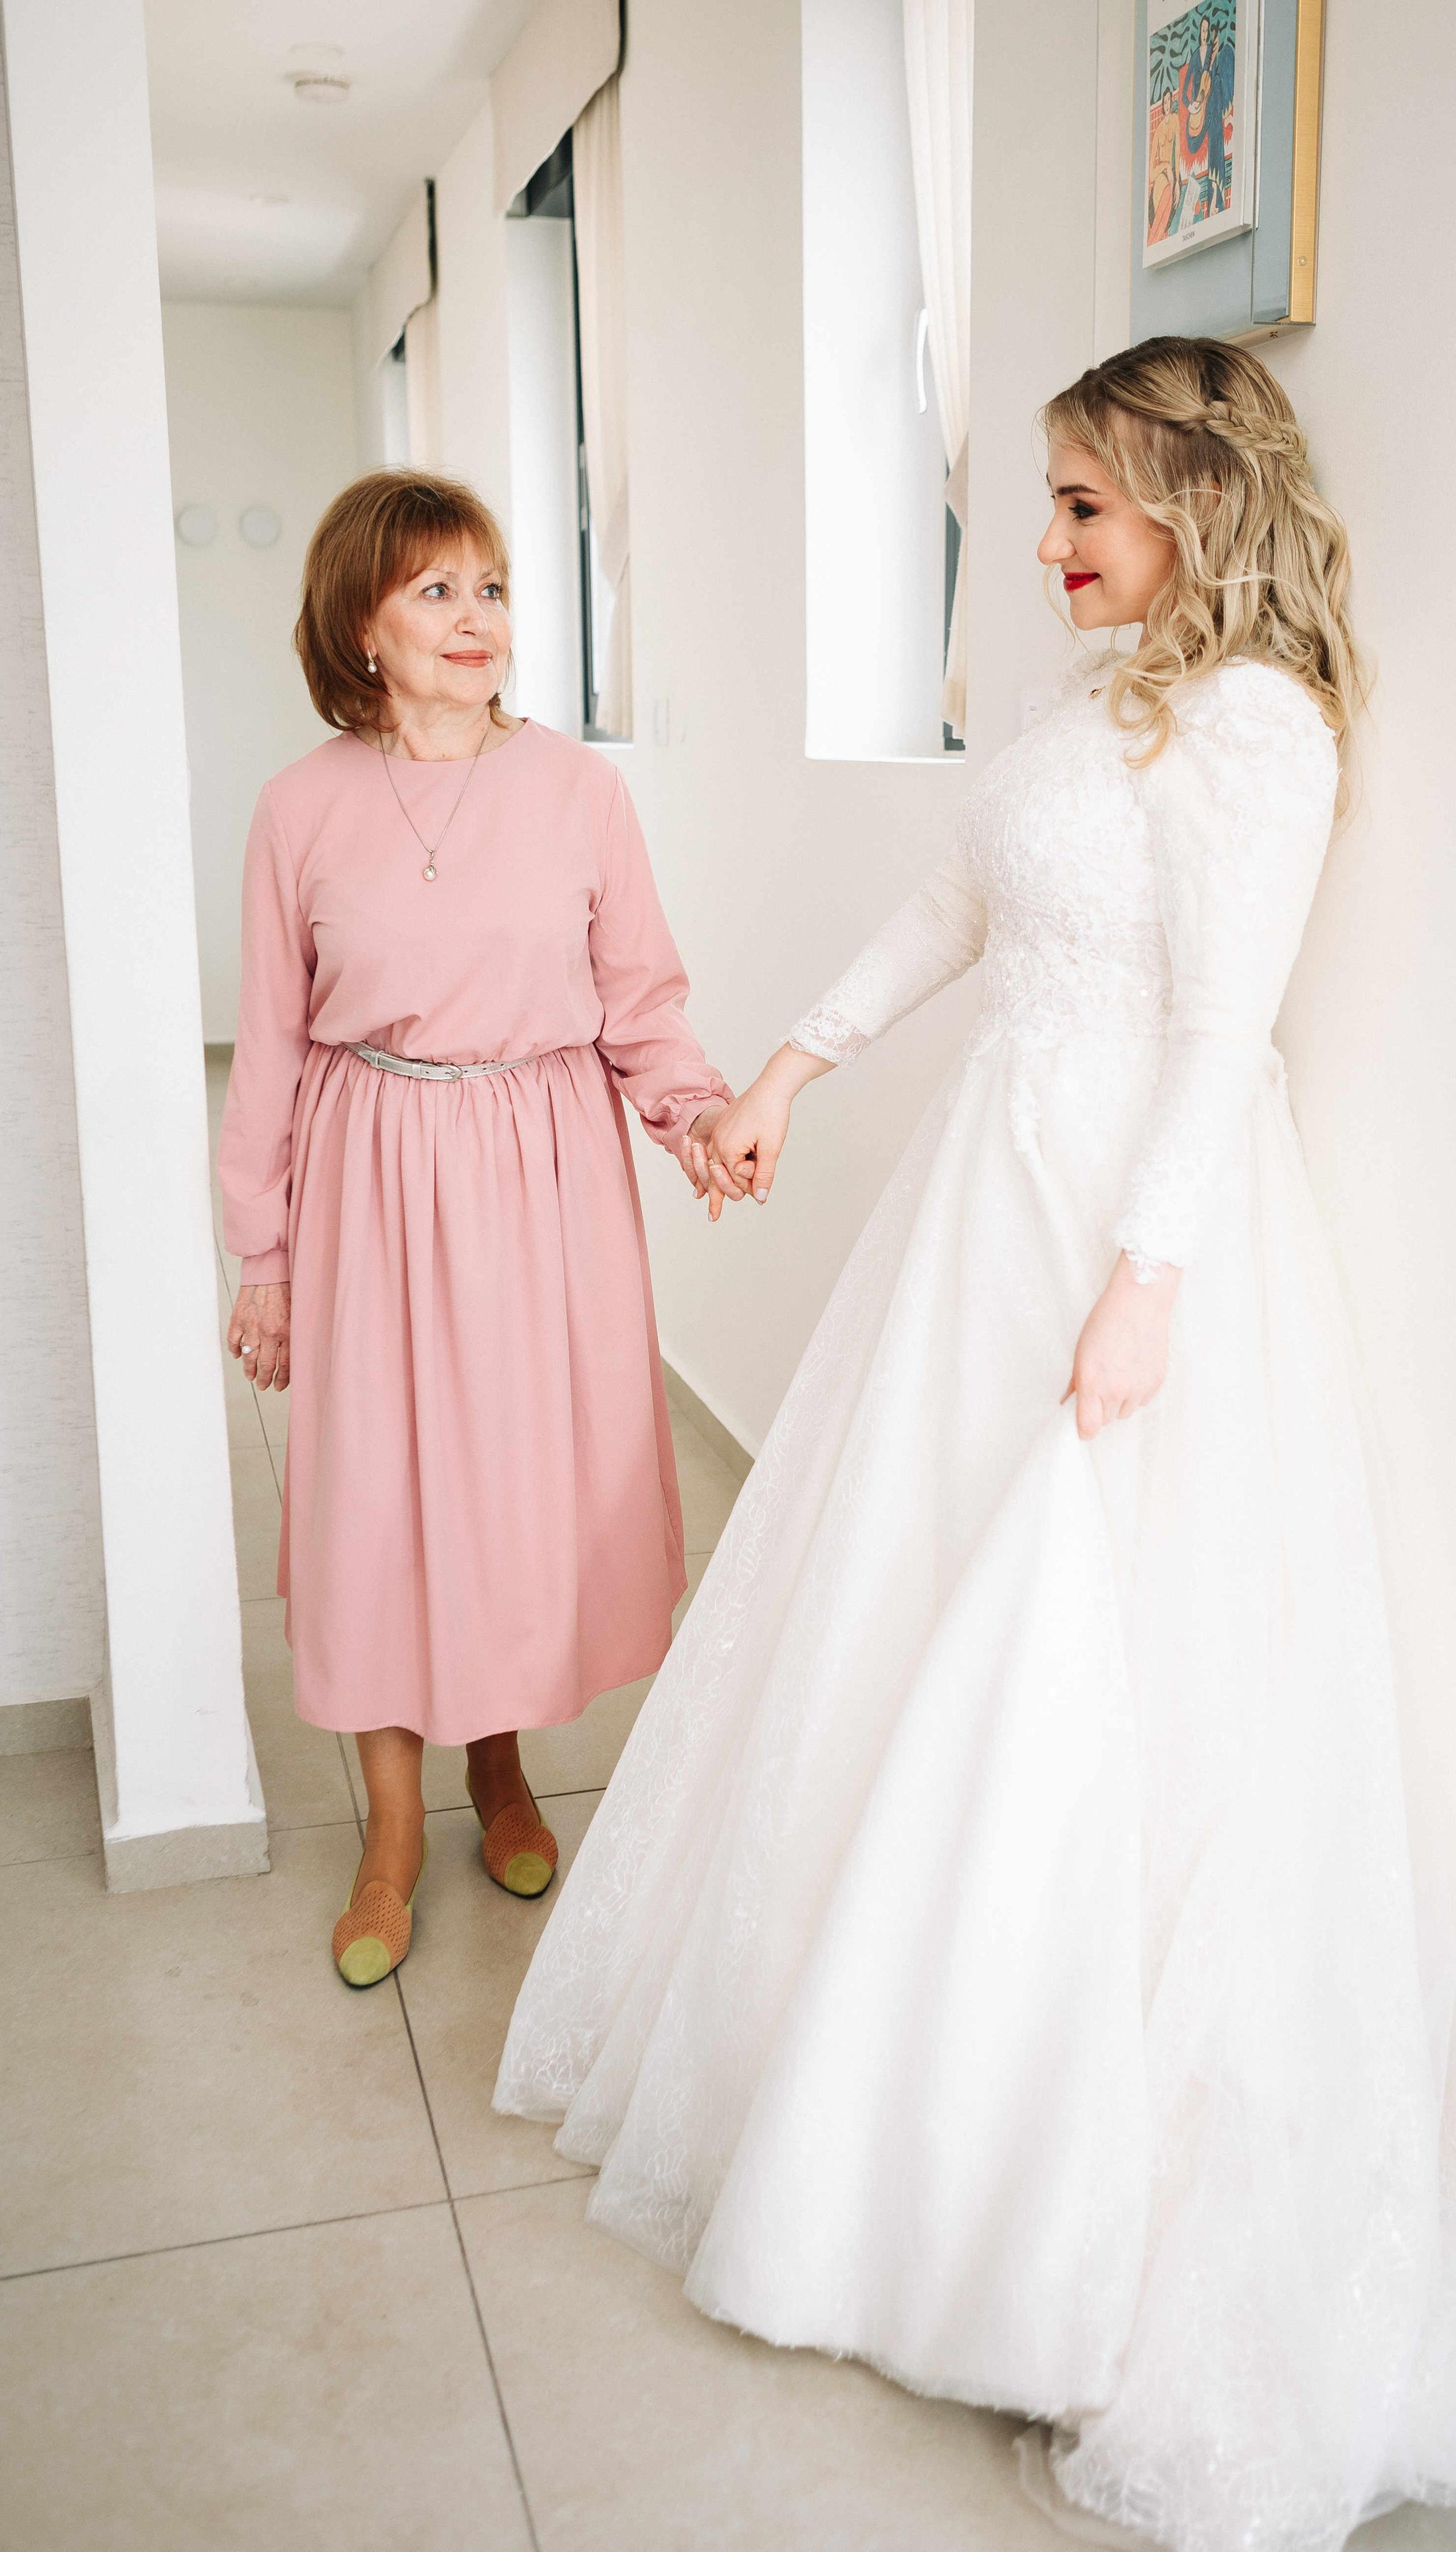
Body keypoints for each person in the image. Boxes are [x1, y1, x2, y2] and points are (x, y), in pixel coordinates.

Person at [496, 340, 1456, 2547]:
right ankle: (861, 2105)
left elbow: (1220, 1027)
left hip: (1126, 1223)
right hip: (979, 1208)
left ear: (1194, 496)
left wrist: (1149, 1277)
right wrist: (795, 1069)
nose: (1050, 537)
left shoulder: (1261, 727)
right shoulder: (1085, 711)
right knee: (895, 1615)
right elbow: (960, 910)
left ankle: (1035, 2192)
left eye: (1084, 498)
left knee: (1085, 1666)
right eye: (1048, 497)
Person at [218, 469, 732, 1987]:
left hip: (545, 1172)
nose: (475, 618)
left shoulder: (578, 791)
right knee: (376, 1500)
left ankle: (497, 1770)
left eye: (493, 587)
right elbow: (270, 1046)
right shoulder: (298, 809)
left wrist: (697, 1123)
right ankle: (387, 1832)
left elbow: (641, 1004)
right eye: (435, 589)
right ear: (360, 623)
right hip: (373, 1169)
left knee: (505, 1493)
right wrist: (266, 1255)